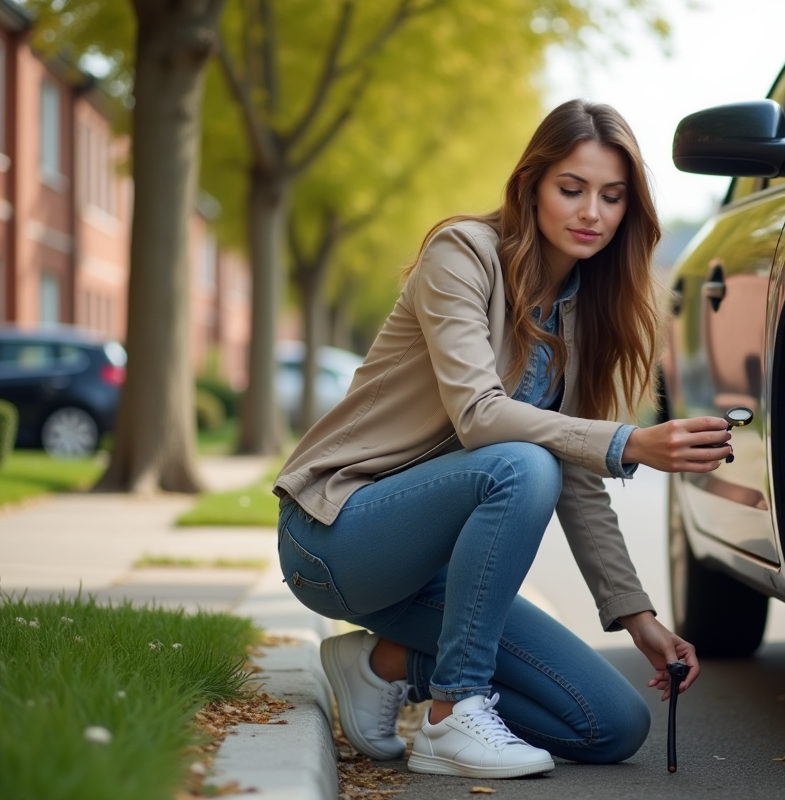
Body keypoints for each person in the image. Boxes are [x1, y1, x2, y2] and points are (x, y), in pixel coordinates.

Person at [272, 99, 734, 780]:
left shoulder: (584, 308)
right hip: (338, 534)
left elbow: (578, 476)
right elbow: (480, 418)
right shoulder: (462, 254)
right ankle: (453, 712)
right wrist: (631, 443)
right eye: (571, 190)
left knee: (612, 723)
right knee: (521, 467)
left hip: (434, 577)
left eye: (612, 197)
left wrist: (640, 620)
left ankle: (381, 663)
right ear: (530, 187)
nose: (592, 213)